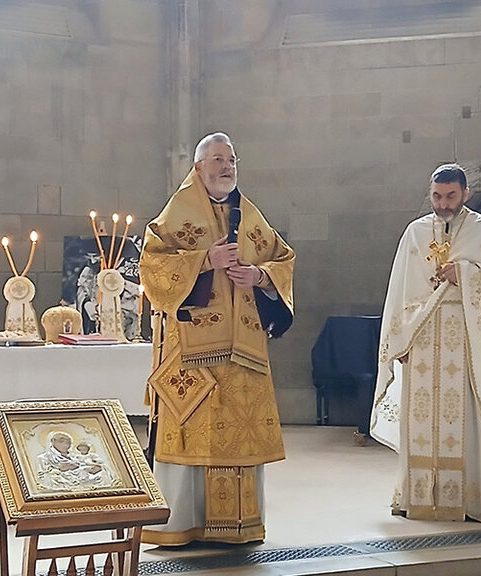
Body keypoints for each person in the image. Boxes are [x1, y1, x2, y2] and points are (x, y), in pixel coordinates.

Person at [139, 132, 295, 546]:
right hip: (194, 351)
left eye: (232, 160)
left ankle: (238, 527)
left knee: (239, 435)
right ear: (198, 167)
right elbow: (151, 266)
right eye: (218, 160)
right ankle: (183, 524)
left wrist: (259, 276)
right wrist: (205, 261)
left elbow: (283, 259)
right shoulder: (177, 213)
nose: (227, 167)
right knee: (193, 428)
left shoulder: (251, 215)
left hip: (244, 350)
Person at [370, 163, 481, 523]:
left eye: (450, 196)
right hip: (422, 341)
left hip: (466, 342)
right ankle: (417, 496)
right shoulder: (415, 232)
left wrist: (466, 273)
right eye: (437, 196)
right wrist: (401, 341)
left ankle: (468, 498)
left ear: (465, 194)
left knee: (464, 421)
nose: (443, 204)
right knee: (419, 422)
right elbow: (400, 291)